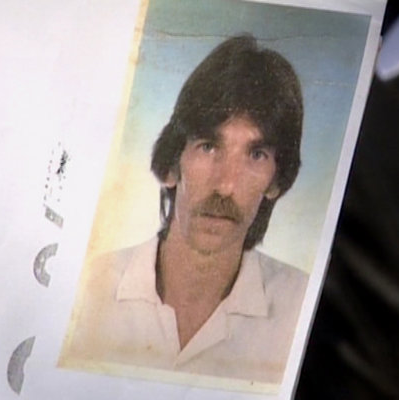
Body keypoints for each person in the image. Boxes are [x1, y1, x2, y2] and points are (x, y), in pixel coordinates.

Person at [59, 35, 308, 385]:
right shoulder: (84, 289)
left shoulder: (301, 308)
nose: (225, 185)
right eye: (208, 147)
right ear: (171, 166)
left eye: (255, 155)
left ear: (275, 182)